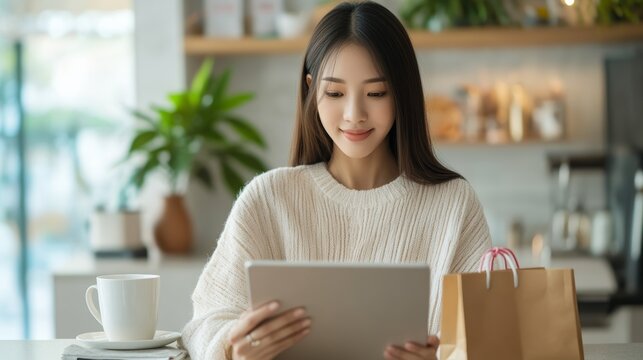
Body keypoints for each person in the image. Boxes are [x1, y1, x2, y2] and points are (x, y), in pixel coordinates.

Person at [179, 2, 491, 359]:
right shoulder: (269, 198)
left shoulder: (453, 204)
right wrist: (234, 348)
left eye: (375, 93)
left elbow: (488, 343)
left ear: (402, 93)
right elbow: (204, 322)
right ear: (311, 89)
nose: (354, 115)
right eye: (335, 93)